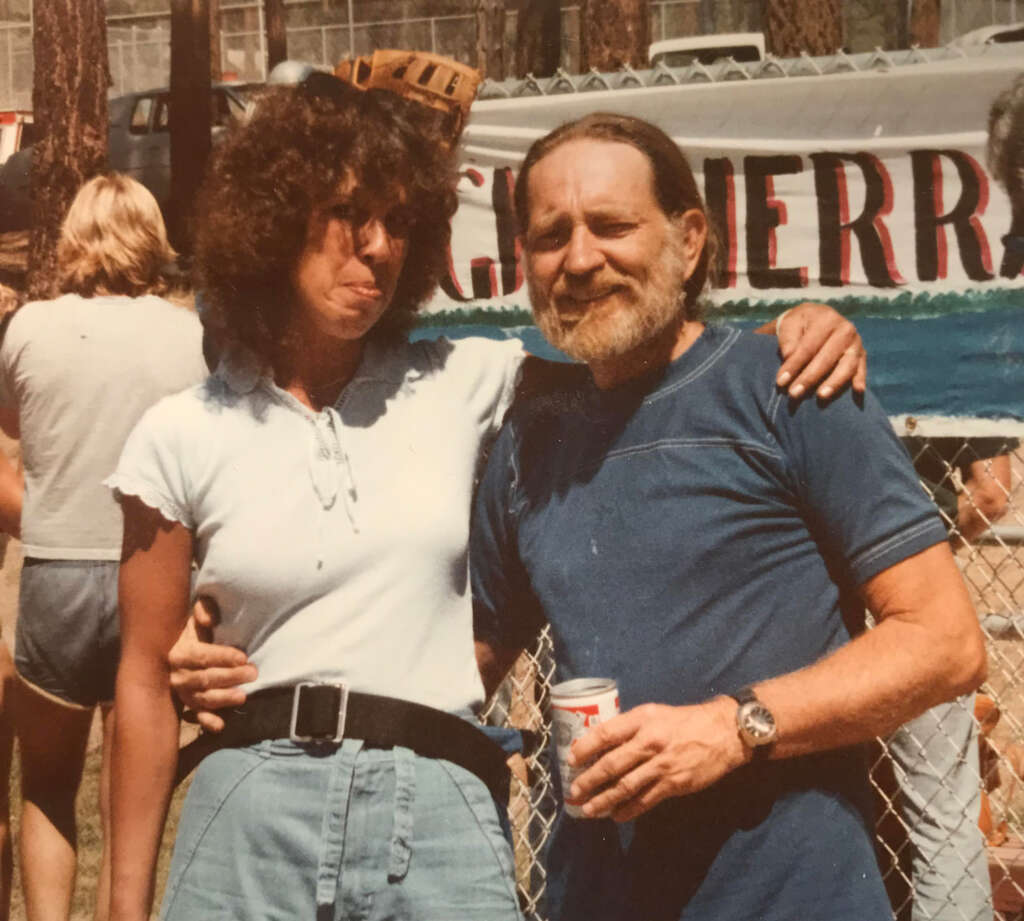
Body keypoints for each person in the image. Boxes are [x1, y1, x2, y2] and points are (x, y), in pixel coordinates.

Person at [109, 75, 867, 921]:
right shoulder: (180, 432)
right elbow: (142, 677)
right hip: (254, 800)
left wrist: (791, 331)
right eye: (351, 214)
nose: (380, 247)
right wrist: (121, 905)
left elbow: (658, 359)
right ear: (277, 214)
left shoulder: (466, 380)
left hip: (432, 807)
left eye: (401, 223)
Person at [466, 113, 988, 921]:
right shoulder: (529, 442)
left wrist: (734, 726)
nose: (578, 259)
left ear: (691, 238)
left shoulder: (789, 387)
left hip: (796, 897)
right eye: (549, 234)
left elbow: (945, 642)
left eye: (612, 226)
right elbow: (464, 671)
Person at [0, 173, 206, 921]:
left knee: (48, 786)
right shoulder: (191, 334)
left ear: (73, 237)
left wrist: (45, 517)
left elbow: (10, 444)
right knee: (134, 794)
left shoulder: (28, 327)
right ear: (150, 236)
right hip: (152, 577)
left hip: (55, 574)